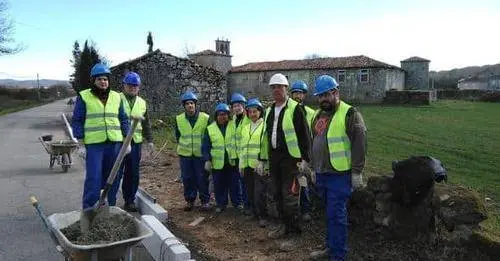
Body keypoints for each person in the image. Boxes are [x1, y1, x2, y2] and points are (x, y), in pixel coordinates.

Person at [308, 75, 367, 261]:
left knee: (336, 215)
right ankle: (331, 247)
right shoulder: (318, 115)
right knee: (329, 214)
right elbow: (315, 142)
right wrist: (312, 168)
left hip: (340, 175)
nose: (323, 99)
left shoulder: (350, 114)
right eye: (320, 96)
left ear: (336, 92)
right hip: (322, 173)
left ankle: (338, 255)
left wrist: (357, 171)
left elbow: (360, 144)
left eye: (326, 94)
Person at [259, 73, 311, 239]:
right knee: (277, 194)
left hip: (291, 160)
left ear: (286, 88)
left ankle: (294, 233)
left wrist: (305, 159)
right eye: (273, 87)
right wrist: (262, 159)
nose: (276, 90)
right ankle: (283, 226)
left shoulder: (296, 108)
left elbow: (305, 135)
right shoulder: (269, 111)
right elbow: (265, 137)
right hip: (275, 159)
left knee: (290, 197)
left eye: (279, 87)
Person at [71, 63, 130, 210]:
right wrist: (81, 143)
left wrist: (127, 140)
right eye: (99, 79)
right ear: (93, 81)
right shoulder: (84, 96)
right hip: (94, 145)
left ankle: (109, 206)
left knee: (113, 177)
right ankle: (89, 208)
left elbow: (123, 119)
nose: (103, 82)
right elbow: (77, 120)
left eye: (105, 79)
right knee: (94, 177)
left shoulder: (116, 97)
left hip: (114, 143)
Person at [114, 71, 154, 212]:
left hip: (135, 143)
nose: (132, 88)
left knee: (133, 173)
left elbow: (146, 123)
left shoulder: (142, 102)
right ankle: (111, 201)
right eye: (130, 85)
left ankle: (129, 200)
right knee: (116, 172)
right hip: (118, 141)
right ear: (124, 85)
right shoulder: (116, 98)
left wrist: (150, 140)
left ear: (139, 87)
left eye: (135, 86)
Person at [175, 91, 211, 211]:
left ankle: (205, 201)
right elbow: (177, 135)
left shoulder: (205, 118)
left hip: (200, 154)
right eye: (187, 104)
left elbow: (208, 137)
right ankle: (190, 200)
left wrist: (207, 155)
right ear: (184, 106)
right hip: (185, 155)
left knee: (202, 178)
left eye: (192, 103)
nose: (190, 106)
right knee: (187, 178)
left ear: (195, 105)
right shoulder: (179, 119)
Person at [202, 103, 239, 213]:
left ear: (228, 115)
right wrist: (207, 159)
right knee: (219, 185)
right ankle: (221, 204)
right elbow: (206, 146)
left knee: (234, 185)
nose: (222, 117)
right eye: (220, 114)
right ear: (216, 116)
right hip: (217, 163)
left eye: (225, 114)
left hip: (231, 161)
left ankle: (237, 204)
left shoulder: (234, 125)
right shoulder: (210, 129)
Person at [239, 98, 269, 227]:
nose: (252, 114)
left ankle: (263, 216)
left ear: (260, 112)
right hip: (247, 165)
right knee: (249, 191)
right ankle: (254, 212)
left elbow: (266, 146)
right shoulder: (246, 128)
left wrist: (264, 163)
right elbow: (242, 147)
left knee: (260, 193)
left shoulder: (265, 126)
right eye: (250, 112)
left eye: (255, 111)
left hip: (258, 166)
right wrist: (241, 164)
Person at [290, 80, 316, 221]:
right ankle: (291, 210)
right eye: (295, 93)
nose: (298, 96)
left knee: (303, 181)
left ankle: (305, 210)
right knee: (289, 183)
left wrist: (308, 156)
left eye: (300, 93)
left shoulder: (311, 113)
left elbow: (313, 134)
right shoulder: (286, 111)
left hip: (304, 154)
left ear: (304, 95)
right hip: (289, 153)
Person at [227, 93, 249, 213]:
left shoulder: (248, 119)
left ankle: (246, 205)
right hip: (235, 157)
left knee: (245, 182)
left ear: (244, 106)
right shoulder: (233, 120)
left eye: (239, 105)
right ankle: (238, 203)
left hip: (245, 157)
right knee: (236, 181)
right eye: (234, 106)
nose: (237, 107)